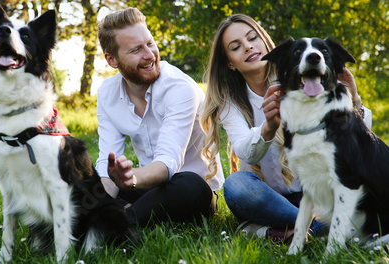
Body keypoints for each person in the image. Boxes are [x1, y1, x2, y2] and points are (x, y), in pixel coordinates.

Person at [200, 14, 372, 242]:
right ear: (229, 62)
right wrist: (269, 127)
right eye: (236, 47)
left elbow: (358, 146)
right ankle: (324, 229)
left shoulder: (306, 79)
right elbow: (243, 149)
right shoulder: (230, 101)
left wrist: (355, 101)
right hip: (269, 198)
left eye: (253, 37)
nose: (248, 46)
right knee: (236, 185)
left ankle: (274, 231)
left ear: (265, 42)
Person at [95, 7, 225, 227]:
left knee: (191, 185)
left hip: (191, 191)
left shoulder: (179, 88)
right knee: (86, 188)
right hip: (147, 188)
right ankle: (100, 219)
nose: (149, 55)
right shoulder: (108, 92)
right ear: (112, 60)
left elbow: (166, 164)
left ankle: (117, 224)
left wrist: (131, 178)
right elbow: (107, 163)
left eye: (150, 43)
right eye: (136, 49)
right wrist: (102, 198)